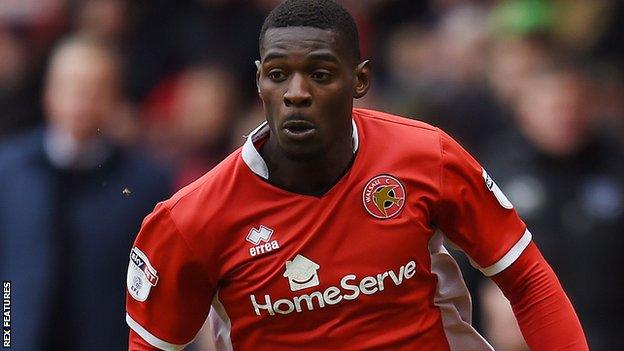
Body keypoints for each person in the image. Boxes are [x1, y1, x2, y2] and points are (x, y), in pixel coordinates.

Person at [125, 1, 588, 350]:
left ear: (359, 81)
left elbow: (528, 281)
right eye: (278, 74)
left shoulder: (427, 156)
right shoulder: (190, 219)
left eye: (321, 74)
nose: (297, 93)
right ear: (258, 80)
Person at [0, 34, 172, 350]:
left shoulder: (145, 183)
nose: (82, 101)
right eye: (71, 87)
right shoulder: (8, 171)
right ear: (48, 93)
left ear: (115, 99)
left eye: (95, 90)